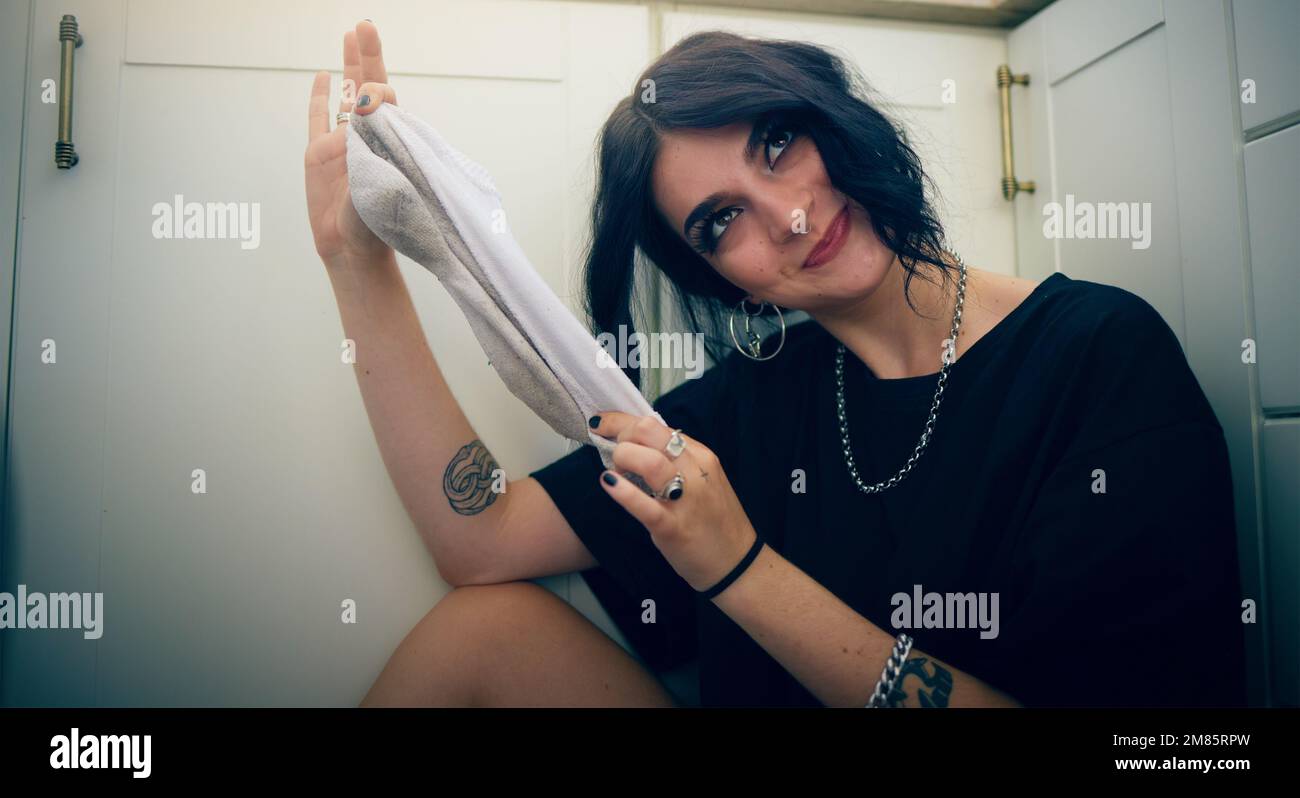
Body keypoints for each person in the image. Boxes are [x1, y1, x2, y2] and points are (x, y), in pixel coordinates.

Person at [306, 22, 1247, 708]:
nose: (789, 214)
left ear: (829, 117)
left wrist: (739, 569)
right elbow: (482, 539)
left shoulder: (1097, 358)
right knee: (485, 633)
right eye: (721, 221)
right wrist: (363, 265)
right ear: (724, 285)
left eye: (777, 142)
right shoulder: (760, 401)